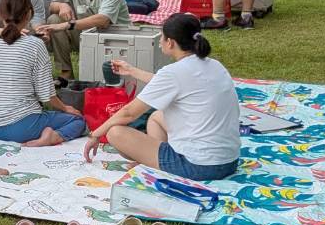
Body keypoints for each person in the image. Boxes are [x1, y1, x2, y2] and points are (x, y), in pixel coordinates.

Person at [84, 13, 240, 182]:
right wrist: (131, 71)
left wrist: (95, 134)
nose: (160, 42)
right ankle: (156, 159)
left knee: (115, 132)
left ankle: (157, 163)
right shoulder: (215, 65)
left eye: (162, 38)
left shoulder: (173, 73)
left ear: (170, 42)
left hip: (197, 166)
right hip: (229, 161)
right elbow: (171, 83)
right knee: (156, 117)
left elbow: (129, 113)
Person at [0, 0, 85, 146]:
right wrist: (65, 108)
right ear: (29, 15)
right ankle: (54, 137)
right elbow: (47, 96)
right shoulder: (35, 44)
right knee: (78, 121)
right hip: (24, 128)